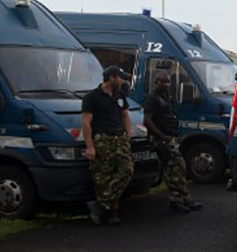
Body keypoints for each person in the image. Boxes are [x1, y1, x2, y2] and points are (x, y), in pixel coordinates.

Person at [143, 71, 203, 214]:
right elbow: (147, 120)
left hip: (171, 137)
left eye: (168, 82)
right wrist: (161, 136)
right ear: (156, 82)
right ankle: (175, 201)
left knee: (180, 169)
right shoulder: (152, 99)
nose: (166, 85)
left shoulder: (167, 98)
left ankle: (185, 198)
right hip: (163, 139)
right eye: (162, 82)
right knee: (172, 170)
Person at [81, 66, 135, 225]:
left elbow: (125, 115)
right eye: (120, 78)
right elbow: (86, 122)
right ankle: (111, 211)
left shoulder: (119, 95)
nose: (123, 81)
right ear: (111, 78)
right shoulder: (92, 97)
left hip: (119, 139)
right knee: (103, 177)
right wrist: (90, 146)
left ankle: (99, 205)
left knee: (126, 171)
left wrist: (128, 135)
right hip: (103, 139)